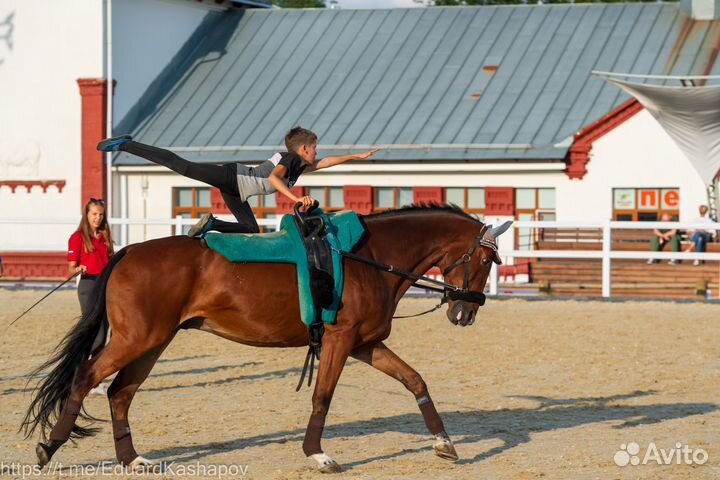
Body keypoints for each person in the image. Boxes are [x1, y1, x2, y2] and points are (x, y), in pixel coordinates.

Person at [97, 127, 378, 237]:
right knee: (182, 166)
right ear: (303, 149)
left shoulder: (301, 164)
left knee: (249, 228)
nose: (317, 152)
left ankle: (211, 225)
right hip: (232, 177)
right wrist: (295, 199)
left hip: (238, 191)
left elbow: (326, 162)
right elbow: (272, 178)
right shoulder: (291, 160)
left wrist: (356, 156)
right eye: (314, 147)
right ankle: (127, 145)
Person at [68, 198, 114, 395]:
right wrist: (79, 268)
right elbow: (71, 267)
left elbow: (110, 261)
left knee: (104, 332)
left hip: (106, 286)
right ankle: (79, 373)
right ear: (86, 215)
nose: (97, 218)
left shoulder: (105, 237)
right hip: (88, 285)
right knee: (91, 331)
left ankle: (96, 378)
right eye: (94, 214)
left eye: (100, 214)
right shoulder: (77, 237)